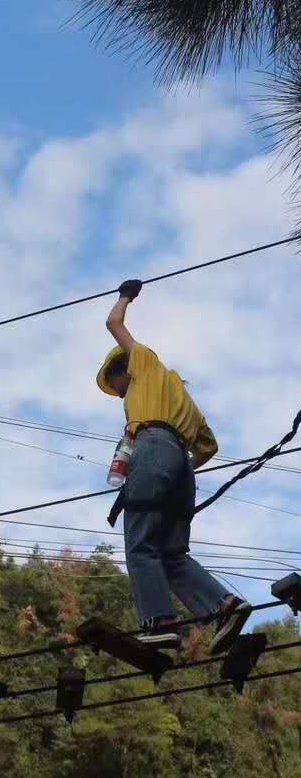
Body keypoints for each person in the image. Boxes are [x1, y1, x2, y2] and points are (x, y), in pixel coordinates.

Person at [99, 279, 250, 655]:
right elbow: (209, 446)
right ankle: (223, 607)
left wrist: (124, 297)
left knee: (140, 546)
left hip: (153, 451)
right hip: (182, 469)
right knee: (171, 554)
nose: (118, 393)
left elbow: (113, 325)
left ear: (125, 368)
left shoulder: (145, 365)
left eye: (116, 384)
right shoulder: (184, 398)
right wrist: (173, 469)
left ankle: (160, 623)